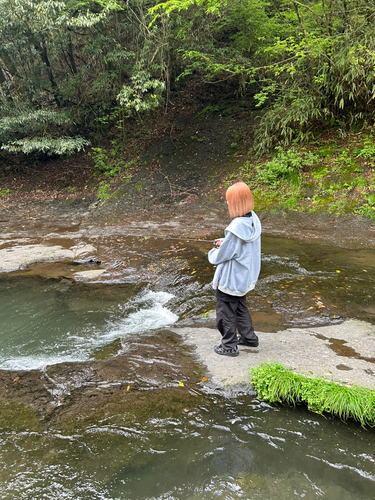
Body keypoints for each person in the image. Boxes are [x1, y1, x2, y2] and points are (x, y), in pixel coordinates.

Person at [208, 182, 261, 357]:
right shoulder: (252, 219)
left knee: (225, 312)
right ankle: (249, 338)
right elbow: (240, 246)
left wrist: (213, 252)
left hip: (232, 279)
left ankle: (229, 346)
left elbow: (222, 256)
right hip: (245, 277)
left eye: (228, 200)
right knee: (239, 307)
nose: (227, 203)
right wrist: (227, 241)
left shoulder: (236, 226)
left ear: (236, 202)